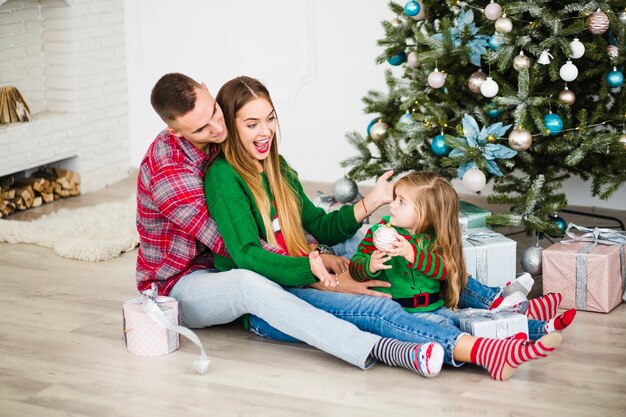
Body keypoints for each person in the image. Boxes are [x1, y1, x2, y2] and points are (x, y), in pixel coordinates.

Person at [204, 75, 562, 380]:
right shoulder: (224, 176)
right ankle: (486, 352)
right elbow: (246, 254)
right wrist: (314, 270)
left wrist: (372, 200)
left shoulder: (277, 166)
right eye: (252, 124)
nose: (265, 130)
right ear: (231, 128)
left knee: (422, 260)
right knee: (382, 306)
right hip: (278, 294)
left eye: (270, 118)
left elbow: (323, 228)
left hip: (312, 269)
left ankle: (517, 313)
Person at [137, 72, 446, 378]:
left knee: (366, 238)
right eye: (203, 128)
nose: (218, 129)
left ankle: (463, 291)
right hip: (185, 281)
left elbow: (302, 223)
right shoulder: (171, 175)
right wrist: (322, 273)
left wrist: (360, 212)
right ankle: (374, 346)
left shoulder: (237, 143)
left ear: (207, 90)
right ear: (176, 132)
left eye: (216, 113)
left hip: (244, 254)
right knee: (250, 282)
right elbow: (240, 248)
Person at [349, 172, 577, 340]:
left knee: (472, 320)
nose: (393, 205)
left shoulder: (434, 238)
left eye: (402, 202)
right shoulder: (378, 231)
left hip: (436, 306)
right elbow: (356, 268)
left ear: (426, 213)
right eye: (395, 198)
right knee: (459, 330)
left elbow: (444, 270)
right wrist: (370, 264)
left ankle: (542, 327)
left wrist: (412, 254)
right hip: (404, 313)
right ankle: (507, 339)